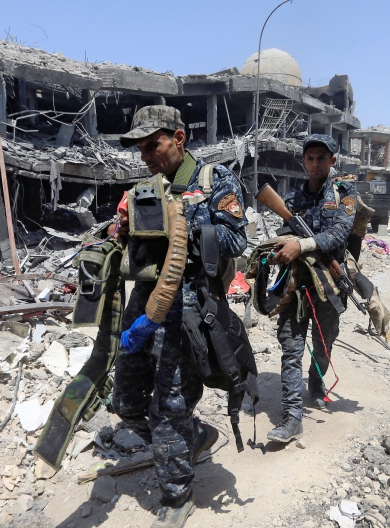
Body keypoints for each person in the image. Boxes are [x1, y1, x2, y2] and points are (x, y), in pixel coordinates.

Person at [114, 106, 248, 528]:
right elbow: (132, 246)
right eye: (140, 149)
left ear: (178, 137)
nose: (145, 156)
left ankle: (177, 493)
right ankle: (193, 436)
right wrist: (121, 226)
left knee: (169, 405)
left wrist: (183, 218)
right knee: (126, 401)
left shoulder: (215, 180)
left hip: (188, 312)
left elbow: (235, 238)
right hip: (144, 308)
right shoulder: (146, 188)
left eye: (152, 145)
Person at [265, 134, 356, 443]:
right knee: (291, 346)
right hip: (297, 282)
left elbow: (339, 233)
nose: (315, 163)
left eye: (322, 158)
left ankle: (316, 383)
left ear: (332, 161)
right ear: (303, 162)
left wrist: (301, 244)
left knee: (323, 343)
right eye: (310, 158)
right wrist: (279, 247)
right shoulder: (291, 200)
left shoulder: (345, 192)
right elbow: (281, 234)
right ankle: (292, 417)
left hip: (330, 284)